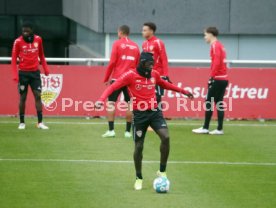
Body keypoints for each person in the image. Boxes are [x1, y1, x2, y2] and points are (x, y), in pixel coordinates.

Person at [95, 52, 193, 190]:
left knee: (166, 137)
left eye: (152, 64)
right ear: (141, 63)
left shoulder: (154, 74)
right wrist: (101, 100)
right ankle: (138, 177)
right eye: (149, 64)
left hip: (155, 112)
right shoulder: (130, 75)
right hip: (139, 115)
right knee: (139, 146)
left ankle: (162, 171)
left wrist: (183, 91)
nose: (151, 66)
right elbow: (113, 87)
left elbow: (165, 84)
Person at [102, 25, 140, 138]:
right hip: (131, 79)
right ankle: (128, 132)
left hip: (117, 78)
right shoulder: (135, 46)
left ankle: (111, 130)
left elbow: (112, 62)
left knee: (111, 103)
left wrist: (106, 78)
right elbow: (138, 65)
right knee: (130, 104)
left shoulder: (117, 44)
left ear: (120, 32)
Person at [11, 22, 49, 130]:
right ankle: (22, 122)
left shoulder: (38, 39)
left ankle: (40, 122)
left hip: (35, 73)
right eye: (23, 31)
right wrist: (15, 75)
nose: (25, 33)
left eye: (27, 31)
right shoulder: (17, 42)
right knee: (23, 97)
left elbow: (41, 55)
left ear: (32, 30)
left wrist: (46, 69)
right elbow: (13, 60)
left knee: (38, 95)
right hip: (23, 73)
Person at [192, 27, 229, 135]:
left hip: (217, 79)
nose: (205, 37)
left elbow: (217, 62)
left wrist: (211, 77)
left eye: (205, 35)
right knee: (219, 103)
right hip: (224, 78)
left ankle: (205, 127)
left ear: (211, 34)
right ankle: (219, 129)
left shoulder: (215, 45)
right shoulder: (221, 45)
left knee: (209, 101)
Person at [142, 22, 171, 105]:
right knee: (147, 97)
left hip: (158, 74)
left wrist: (165, 75)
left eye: (144, 30)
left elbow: (164, 59)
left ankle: (159, 117)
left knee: (157, 97)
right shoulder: (144, 44)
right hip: (147, 75)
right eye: (142, 30)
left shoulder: (158, 42)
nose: (142, 32)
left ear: (151, 31)